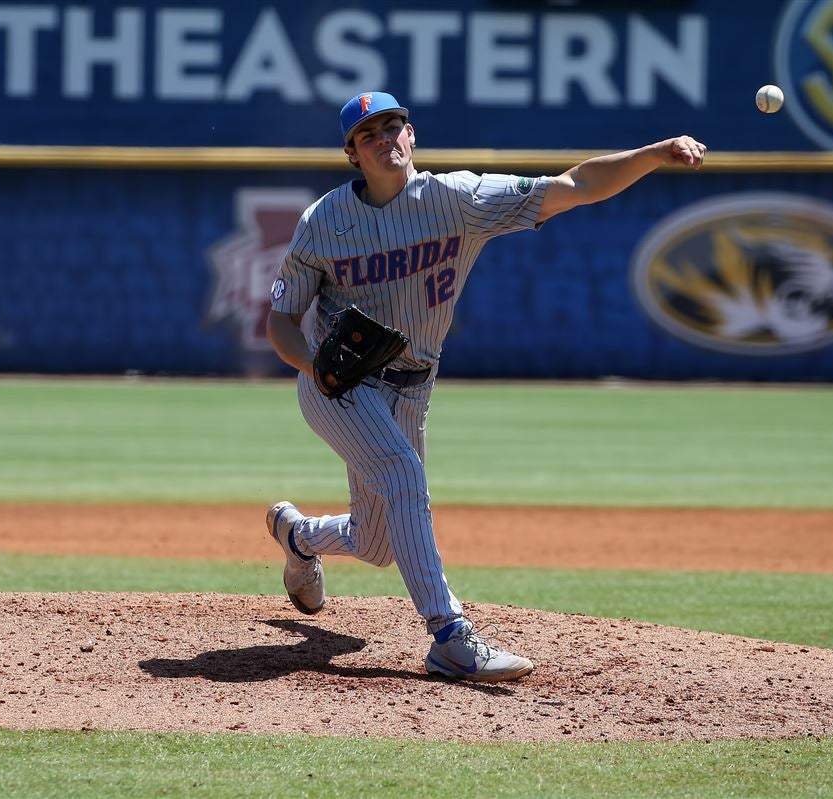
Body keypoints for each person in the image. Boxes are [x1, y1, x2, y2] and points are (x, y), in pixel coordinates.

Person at [264, 91, 706, 682]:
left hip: (413, 388)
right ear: (352, 153)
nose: (385, 138)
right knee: (402, 474)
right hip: (340, 387)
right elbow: (280, 321)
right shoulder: (323, 223)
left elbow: (574, 185)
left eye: (394, 125)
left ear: (412, 136)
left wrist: (653, 152)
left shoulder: (459, 201)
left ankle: (297, 535)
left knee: (376, 544)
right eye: (369, 134)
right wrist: (314, 363)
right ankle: (448, 636)